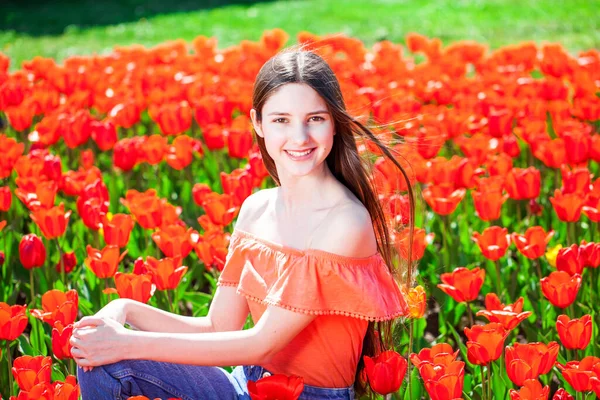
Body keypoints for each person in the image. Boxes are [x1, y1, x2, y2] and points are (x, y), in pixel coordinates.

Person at [73, 47, 417, 400]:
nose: (299, 137)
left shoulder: (346, 221)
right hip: (246, 386)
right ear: (258, 123)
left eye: (315, 118)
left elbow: (259, 344)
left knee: (110, 352)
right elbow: (217, 327)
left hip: (308, 396)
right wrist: (125, 309)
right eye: (281, 120)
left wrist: (126, 343)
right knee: (94, 356)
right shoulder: (257, 208)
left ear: (334, 123)